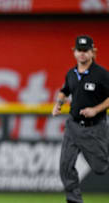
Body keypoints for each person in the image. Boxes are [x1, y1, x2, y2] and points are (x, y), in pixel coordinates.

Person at [52, 35, 109, 203]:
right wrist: (58, 103)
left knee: (100, 167)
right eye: (79, 50)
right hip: (73, 126)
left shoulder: (101, 74)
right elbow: (65, 90)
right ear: (74, 52)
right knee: (65, 166)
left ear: (93, 52)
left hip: (94, 127)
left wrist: (95, 109)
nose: (82, 54)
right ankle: (74, 200)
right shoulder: (71, 73)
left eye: (86, 50)